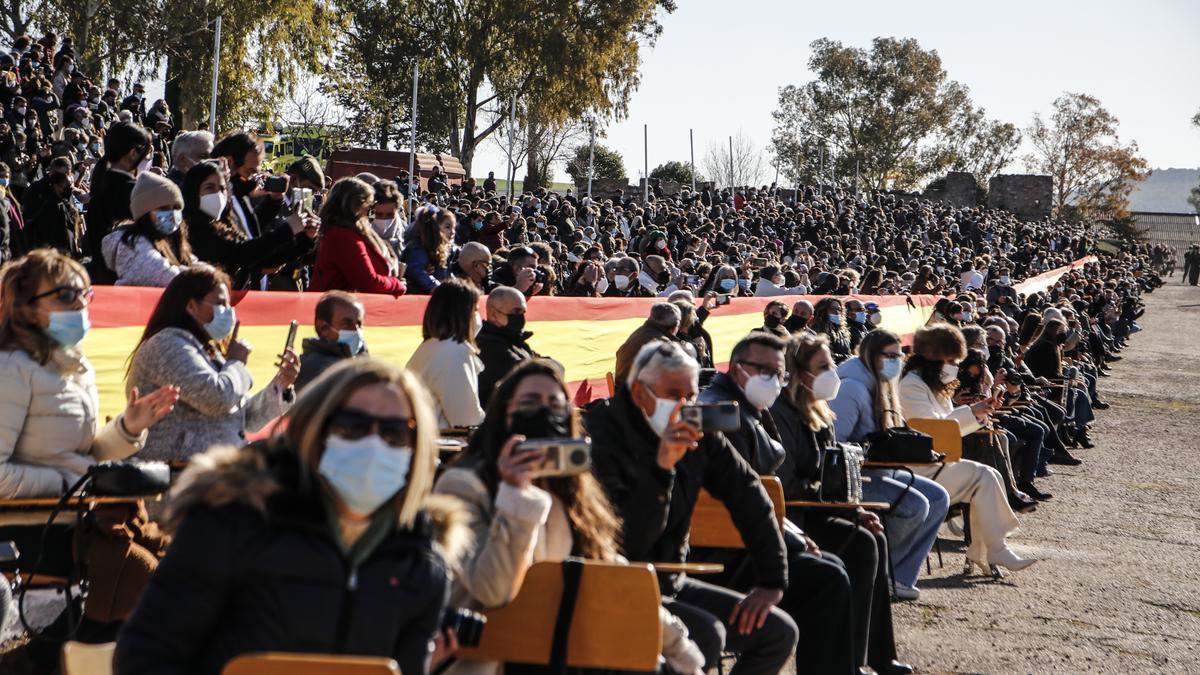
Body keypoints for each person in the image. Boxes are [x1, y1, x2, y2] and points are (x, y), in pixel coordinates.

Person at [115, 358, 469, 675]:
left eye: (394, 432)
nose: (373, 443)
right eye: (352, 425)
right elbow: (145, 656)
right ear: (315, 430)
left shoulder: (422, 563)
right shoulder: (231, 523)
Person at [434, 359, 705, 675]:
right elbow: (494, 591)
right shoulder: (464, 486)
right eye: (529, 403)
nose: (545, 412)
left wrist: (676, 644)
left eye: (555, 404)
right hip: (496, 658)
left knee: (664, 662)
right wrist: (516, 495)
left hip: (564, 646)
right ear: (503, 414)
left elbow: (608, 573)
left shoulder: (568, 489)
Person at [585, 341, 800, 675]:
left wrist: (772, 579)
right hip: (617, 583)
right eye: (673, 394)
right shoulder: (602, 433)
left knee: (778, 632)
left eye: (690, 395)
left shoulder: (694, 427)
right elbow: (628, 542)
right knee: (706, 635)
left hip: (671, 578)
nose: (683, 405)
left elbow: (747, 491)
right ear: (640, 392)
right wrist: (661, 470)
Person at [0, 249, 178, 498]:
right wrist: (67, 483)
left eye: (85, 293)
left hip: (73, 519)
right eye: (65, 295)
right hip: (29, 530)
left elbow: (83, 458)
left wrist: (127, 429)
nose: (81, 303)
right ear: (27, 309)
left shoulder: (74, 367)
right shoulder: (10, 367)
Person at [898, 324, 1036, 574]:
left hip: (934, 460)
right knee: (984, 476)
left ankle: (985, 551)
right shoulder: (912, 385)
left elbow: (945, 424)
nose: (955, 366)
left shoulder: (931, 384)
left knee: (989, 475)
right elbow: (931, 430)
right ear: (934, 358)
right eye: (951, 360)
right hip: (916, 465)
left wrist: (978, 411)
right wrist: (971, 412)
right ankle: (993, 550)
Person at [125, 265, 299, 462]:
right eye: (220, 304)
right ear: (191, 306)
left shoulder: (208, 349)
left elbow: (245, 419)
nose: (228, 313)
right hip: (179, 476)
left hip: (216, 473)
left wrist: (281, 386)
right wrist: (236, 362)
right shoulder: (166, 345)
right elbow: (216, 399)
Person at [827, 330, 951, 599]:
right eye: (890, 356)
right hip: (854, 477)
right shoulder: (852, 387)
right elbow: (835, 443)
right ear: (871, 355)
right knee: (914, 505)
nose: (897, 361)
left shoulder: (886, 385)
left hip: (882, 471)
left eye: (900, 355)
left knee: (939, 496)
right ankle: (875, 571)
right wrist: (868, 452)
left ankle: (899, 576)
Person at [181, 160, 317, 290]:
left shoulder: (223, 224)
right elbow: (241, 253)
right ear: (193, 191)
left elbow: (262, 258)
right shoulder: (192, 228)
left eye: (222, 189)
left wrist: (304, 239)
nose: (218, 194)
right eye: (209, 187)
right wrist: (288, 229)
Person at [405, 278, 485, 429]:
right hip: (442, 444)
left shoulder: (432, 347)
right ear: (463, 313)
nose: (478, 316)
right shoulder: (453, 352)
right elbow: (466, 418)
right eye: (475, 310)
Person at [311, 177, 407, 296]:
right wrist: (397, 284)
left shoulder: (354, 232)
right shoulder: (343, 237)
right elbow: (368, 281)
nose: (369, 212)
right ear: (355, 206)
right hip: (336, 306)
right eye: (368, 206)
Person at [101, 170, 197, 286]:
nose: (172, 214)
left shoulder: (172, 239)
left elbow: (193, 264)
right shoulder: (131, 244)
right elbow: (165, 276)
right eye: (164, 208)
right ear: (144, 214)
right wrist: (208, 278)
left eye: (176, 208)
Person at [84, 122, 151, 276]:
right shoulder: (134, 191)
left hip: (100, 274)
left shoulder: (100, 185)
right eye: (145, 155)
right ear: (133, 153)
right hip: (126, 276)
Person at [476, 286, 541, 406]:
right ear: (493, 313)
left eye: (523, 312)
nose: (520, 317)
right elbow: (531, 374)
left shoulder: (515, 340)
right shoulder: (487, 345)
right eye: (516, 311)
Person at [295, 290, 368, 391]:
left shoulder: (361, 362)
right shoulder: (312, 368)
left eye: (359, 324)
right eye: (346, 324)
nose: (356, 330)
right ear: (323, 328)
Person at [613, 302, 680, 384]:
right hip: (638, 393)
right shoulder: (661, 342)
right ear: (675, 327)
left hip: (623, 391)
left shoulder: (640, 332)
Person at [401, 205, 455, 293]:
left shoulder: (445, 249)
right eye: (447, 227)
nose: (452, 232)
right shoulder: (419, 247)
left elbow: (447, 273)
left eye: (454, 228)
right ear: (434, 227)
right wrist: (435, 286)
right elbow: (416, 270)